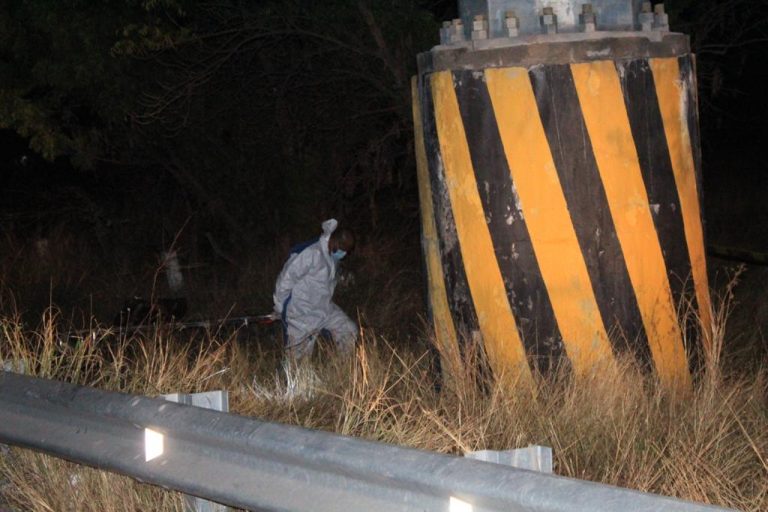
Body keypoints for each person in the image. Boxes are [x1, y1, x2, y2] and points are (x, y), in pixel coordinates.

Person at [273, 219, 357, 361]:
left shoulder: (332, 255)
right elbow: (286, 278)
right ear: (334, 240)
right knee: (298, 364)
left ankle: (344, 370)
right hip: (301, 313)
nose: (343, 254)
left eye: (346, 251)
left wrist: (342, 279)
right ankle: (292, 380)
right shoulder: (311, 253)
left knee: (349, 330)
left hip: (323, 307)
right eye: (342, 249)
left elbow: (326, 278)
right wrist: (281, 308)